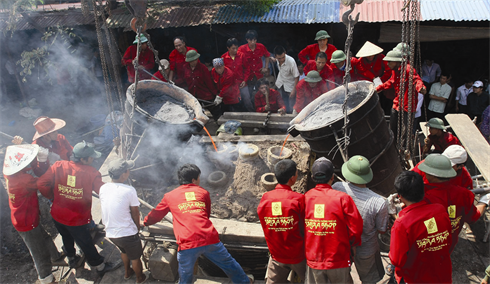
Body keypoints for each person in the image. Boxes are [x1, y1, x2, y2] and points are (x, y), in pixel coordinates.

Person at [143, 164, 252, 284]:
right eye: (199, 178)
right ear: (194, 180)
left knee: (185, 274)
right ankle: (244, 282)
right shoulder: (203, 192)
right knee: (229, 264)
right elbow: (206, 214)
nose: (200, 180)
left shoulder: (169, 196)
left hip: (187, 243)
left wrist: (145, 222)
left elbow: (156, 215)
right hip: (208, 238)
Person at [37, 141, 119, 276]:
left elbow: (41, 183)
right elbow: (103, 191)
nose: (93, 159)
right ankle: (99, 266)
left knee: (66, 237)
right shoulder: (92, 173)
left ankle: (71, 258)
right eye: (91, 157)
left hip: (57, 214)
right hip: (76, 219)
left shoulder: (58, 165)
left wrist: (52, 197)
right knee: (85, 242)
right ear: (83, 159)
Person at [4, 144, 64, 284]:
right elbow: (42, 182)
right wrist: (53, 166)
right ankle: (46, 279)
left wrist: (37, 157)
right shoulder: (23, 180)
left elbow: (24, 162)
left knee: (45, 237)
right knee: (39, 253)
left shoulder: (9, 174)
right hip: (26, 221)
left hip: (25, 217)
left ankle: (56, 257)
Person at [305, 157, 363, 284]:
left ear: (313, 178)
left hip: (314, 259)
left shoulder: (305, 198)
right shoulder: (343, 199)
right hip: (338, 258)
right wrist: (353, 244)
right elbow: (356, 227)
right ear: (332, 177)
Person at [332, 155, 388, 284]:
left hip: (343, 246)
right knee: (369, 279)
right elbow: (382, 230)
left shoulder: (337, 187)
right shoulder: (378, 202)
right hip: (366, 249)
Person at [388, 171, 452, 284]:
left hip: (414, 277)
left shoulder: (401, 224)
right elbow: (448, 241)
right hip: (441, 273)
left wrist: (395, 216)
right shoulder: (440, 210)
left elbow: (396, 260)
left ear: (400, 196)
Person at [417, 154, 483, 253]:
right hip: (447, 244)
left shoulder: (419, 193)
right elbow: (472, 217)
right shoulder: (464, 194)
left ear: (431, 174)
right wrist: (483, 202)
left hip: (422, 245)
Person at [257, 159, 306, 283]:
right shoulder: (299, 199)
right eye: (296, 173)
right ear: (292, 178)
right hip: (298, 255)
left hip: (277, 255)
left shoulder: (265, 199)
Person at [99, 158, 147, 284]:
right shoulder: (129, 190)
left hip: (111, 233)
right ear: (123, 175)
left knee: (124, 251)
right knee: (136, 258)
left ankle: (127, 273)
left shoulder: (103, 188)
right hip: (127, 233)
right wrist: (137, 228)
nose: (129, 171)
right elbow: (135, 212)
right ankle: (139, 278)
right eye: (128, 170)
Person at [376, 49, 426, 144]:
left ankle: (403, 149)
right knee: (392, 127)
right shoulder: (395, 71)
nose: (387, 64)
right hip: (397, 104)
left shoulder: (408, 69)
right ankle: (392, 145)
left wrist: (421, 88)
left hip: (407, 106)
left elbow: (416, 80)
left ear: (396, 62)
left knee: (405, 131)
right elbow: (391, 81)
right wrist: (378, 88)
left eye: (389, 62)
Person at [182, 50, 221, 120]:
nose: (194, 62)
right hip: (193, 95)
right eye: (192, 60)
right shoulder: (185, 68)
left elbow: (209, 83)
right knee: (194, 113)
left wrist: (216, 94)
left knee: (215, 111)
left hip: (205, 94)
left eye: (195, 60)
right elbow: (184, 81)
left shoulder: (203, 68)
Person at [222, 38, 254, 111]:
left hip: (242, 83)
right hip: (231, 86)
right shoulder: (223, 58)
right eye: (233, 48)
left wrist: (245, 80)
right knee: (233, 103)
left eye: (236, 48)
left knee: (247, 101)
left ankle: (253, 114)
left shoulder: (242, 55)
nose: (235, 50)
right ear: (228, 48)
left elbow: (247, 69)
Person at [238, 30, 271, 96]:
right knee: (248, 95)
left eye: (255, 40)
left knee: (261, 93)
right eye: (251, 40)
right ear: (247, 39)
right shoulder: (241, 49)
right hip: (248, 76)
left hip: (259, 75)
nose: (253, 42)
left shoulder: (261, 47)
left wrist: (266, 68)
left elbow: (267, 56)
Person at [273, 45, 300, 113]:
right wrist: (274, 59)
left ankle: (290, 117)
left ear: (285, 53)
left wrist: (294, 90)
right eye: (279, 58)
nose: (281, 59)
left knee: (291, 104)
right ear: (275, 56)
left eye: (283, 57)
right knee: (281, 102)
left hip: (290, 85)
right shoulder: (277, 59)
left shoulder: (291, 61)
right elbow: (275, 59)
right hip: (280, 83)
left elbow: (296, 76)